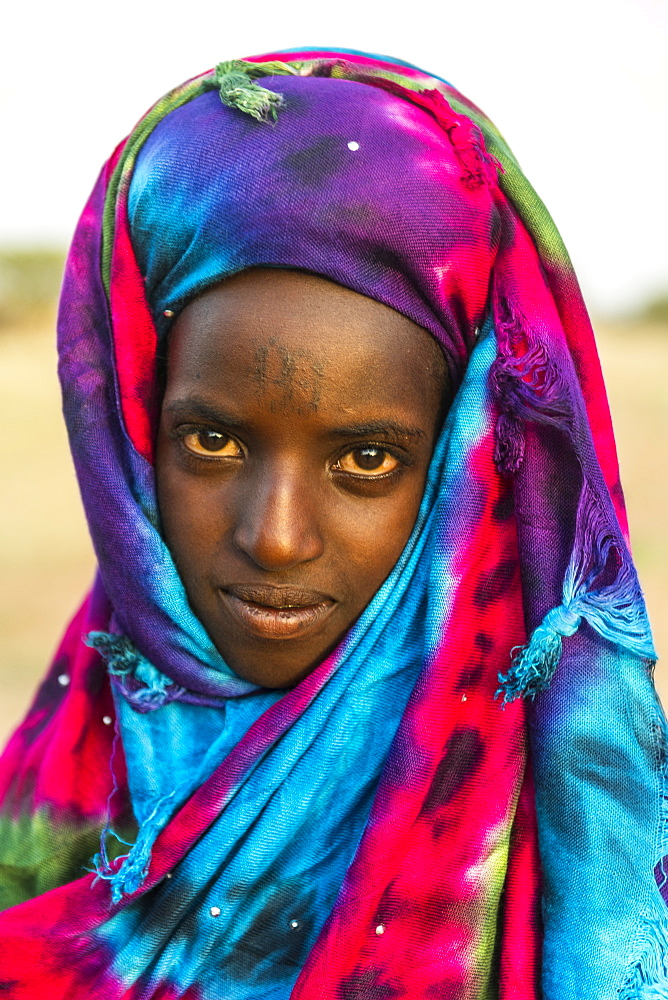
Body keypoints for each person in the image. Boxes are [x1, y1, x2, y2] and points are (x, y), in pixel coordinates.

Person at [0, 47, 665, 999]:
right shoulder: (63, 784)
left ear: (467, 473)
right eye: (215, 443)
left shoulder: (571, 867)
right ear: (131, 441)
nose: (275, 538)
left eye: (366, 460)